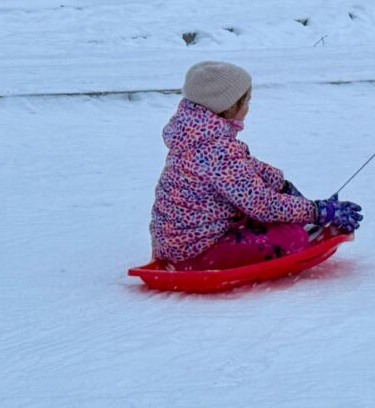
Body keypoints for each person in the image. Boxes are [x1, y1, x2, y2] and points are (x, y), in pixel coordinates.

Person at [150, 61, 363, 270]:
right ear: (229, 105)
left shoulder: (196, 136)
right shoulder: (218, 150)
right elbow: (262, 205)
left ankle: (297, 222)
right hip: (196, 253)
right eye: (247, 102)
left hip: (176, 245)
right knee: (292, 237)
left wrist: (281, 185)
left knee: (269, 216)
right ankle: (300, 231)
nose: (249, 108)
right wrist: (317, 211)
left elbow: (247, 170)